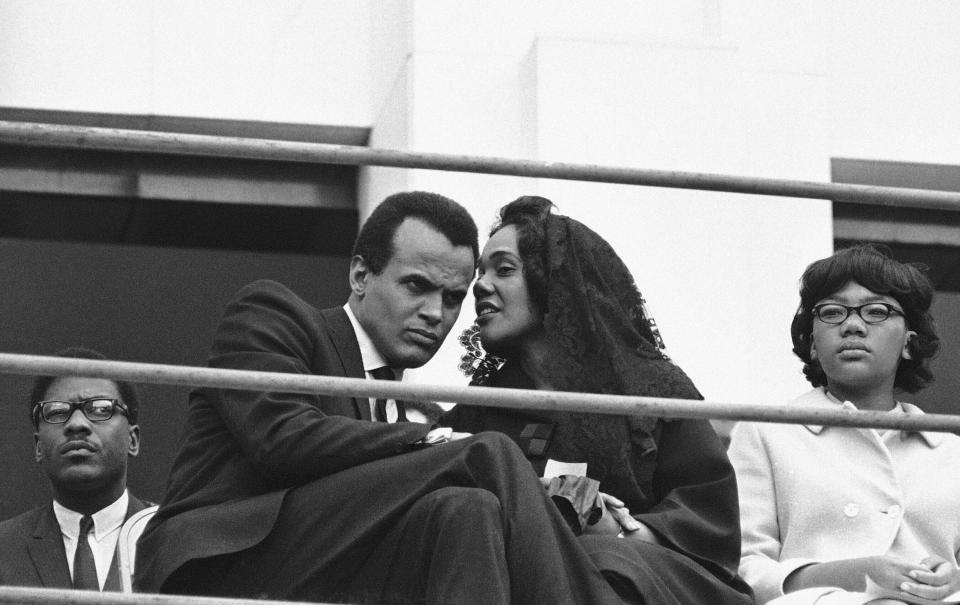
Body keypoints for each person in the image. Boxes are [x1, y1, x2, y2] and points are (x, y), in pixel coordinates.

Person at [135, 191, 622, 604]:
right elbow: (281, 440)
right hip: (226, 562)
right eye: (417, 286)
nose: (435, 313)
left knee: (467, 508)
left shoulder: (416, 407)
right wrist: (435, 442)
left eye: (453, 298)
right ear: (361, 276)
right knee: (487, 451)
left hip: (345, 570)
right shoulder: (273, 313)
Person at [442, 196, 753, 605]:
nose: (480, 285)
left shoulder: (651, 389)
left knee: (598, 557)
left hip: (649, 582)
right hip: (523, 583)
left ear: (554, 280)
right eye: (480, 273)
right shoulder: (482, 404)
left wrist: (617, 528)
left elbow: (709, 518)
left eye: (503, 269)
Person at [728, 244, 960, 605]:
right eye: (833, 312)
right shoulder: (767, 432)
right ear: (813, 345)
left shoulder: (950, 450)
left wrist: (954, 580)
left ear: (909, 344)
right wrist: (853, 575)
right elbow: (740, 567)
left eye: (877, 311)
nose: (852, 325)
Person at [0, 346, 151, 591]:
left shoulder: (171, 540)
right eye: (57, 412)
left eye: (101, 409)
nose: (77, 424)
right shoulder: (4, 547)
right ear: (38, 446)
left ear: (132, 440)